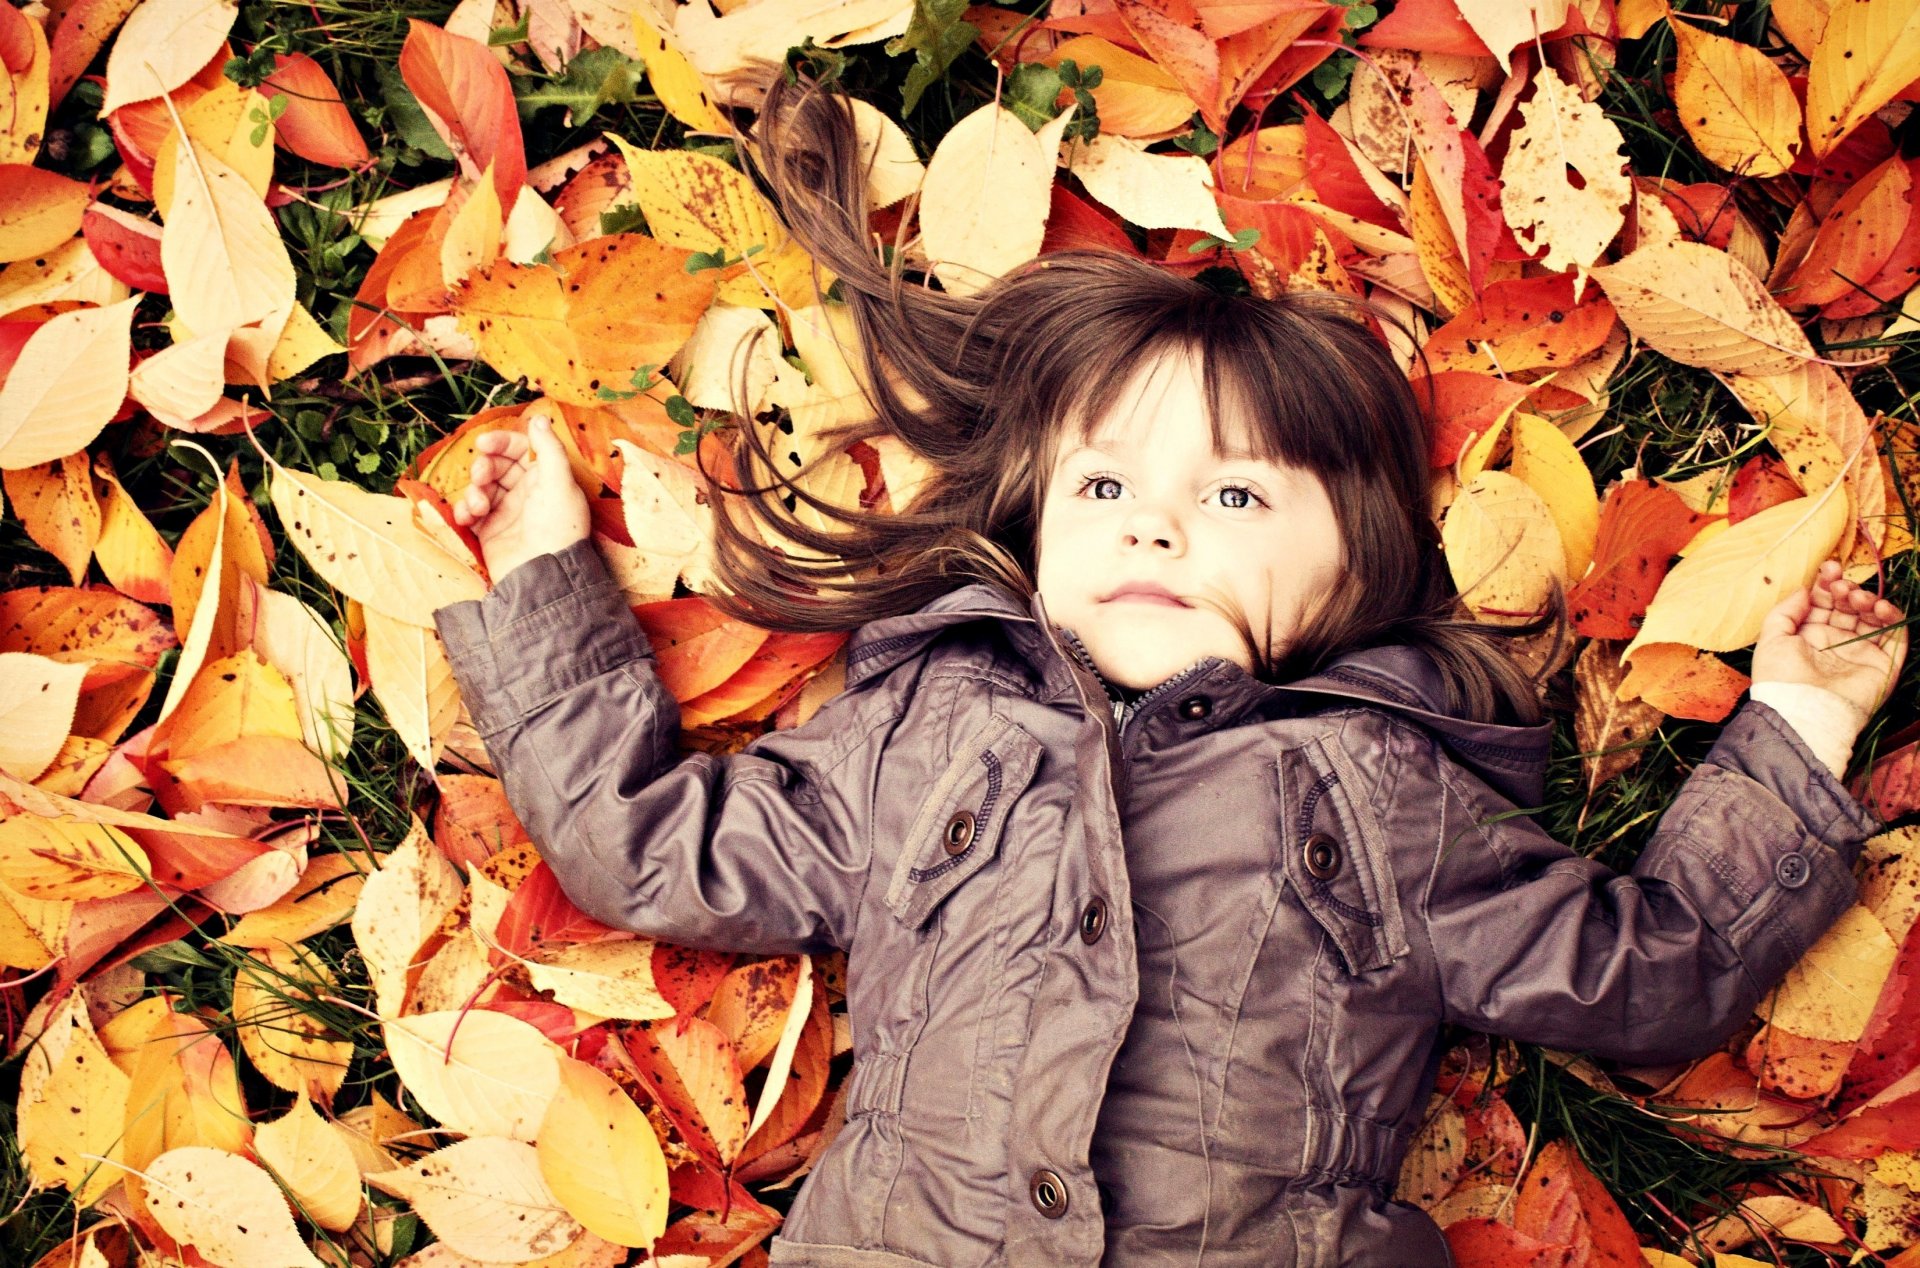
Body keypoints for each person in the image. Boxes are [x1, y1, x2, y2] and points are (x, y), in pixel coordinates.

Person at [431, 73, 1908, 1268]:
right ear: (1034, 520)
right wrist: (546, 582)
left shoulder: (1383, 795)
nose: (1153, 519)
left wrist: (1797, 722)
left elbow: (1654, 975)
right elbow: (649, 848)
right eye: (1104, 490)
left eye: (1238, 497)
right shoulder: (929, 730)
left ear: (1358, 571)